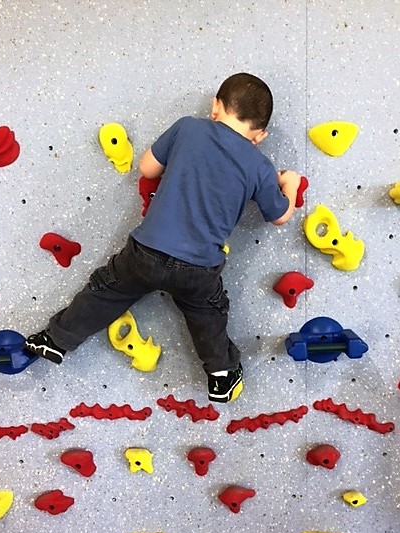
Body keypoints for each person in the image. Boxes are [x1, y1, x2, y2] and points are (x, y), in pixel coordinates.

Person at [25, 73, 301, 403]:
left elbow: (147, 168)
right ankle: (221, 374)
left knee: (104, 292)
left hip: (147, 251)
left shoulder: (188, 128)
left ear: (216, 106)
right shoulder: (259, 165)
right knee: (208, 316)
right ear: (259, 135)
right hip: (198, 268)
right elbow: (280, 215)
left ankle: (56, 339)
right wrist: (290, 183)